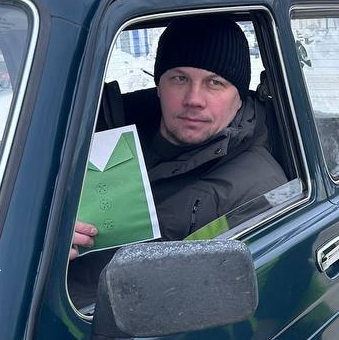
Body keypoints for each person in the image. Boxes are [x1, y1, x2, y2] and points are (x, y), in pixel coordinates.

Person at [71, 14, 288, 284]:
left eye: (215, 83)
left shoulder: (257, 190)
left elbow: (188, 293)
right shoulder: (95, 133)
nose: (194, 99)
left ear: (239, 99)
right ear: (159, 86)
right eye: (179, 79)